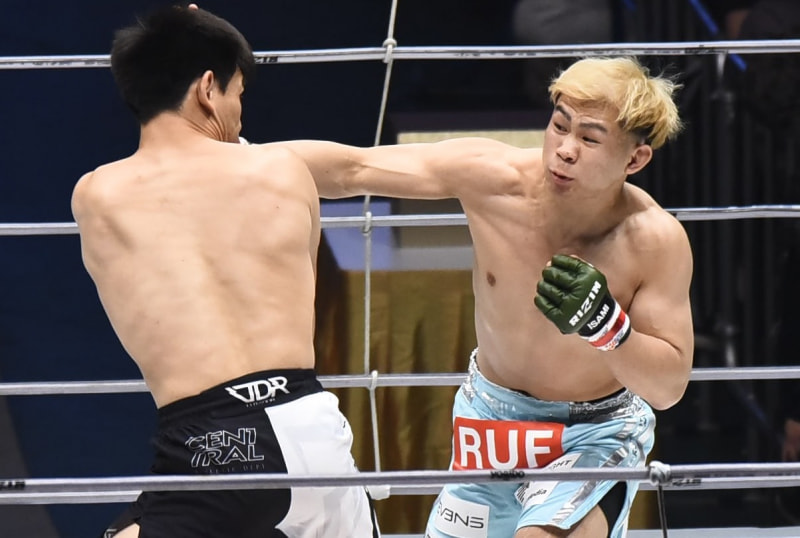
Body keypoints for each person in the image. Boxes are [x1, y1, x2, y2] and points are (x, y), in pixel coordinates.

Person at [281, 56, 694, 537]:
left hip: (593, 432)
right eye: (559, 126)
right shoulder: (496, 179)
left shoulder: (654, 240)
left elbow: (667, 388)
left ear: (635, 159)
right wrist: (231, 159)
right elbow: (354, 168)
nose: (564, 150)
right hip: (490, 421)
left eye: (589, 139)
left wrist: (608, 327)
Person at [71, 4, 379, 538]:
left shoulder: (96, 195)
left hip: (210, 445)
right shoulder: (282, 170)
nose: (240, 116)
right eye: (238, 93)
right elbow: (304, 276)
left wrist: (178, 38)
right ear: (208, 89)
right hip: (310, 425)